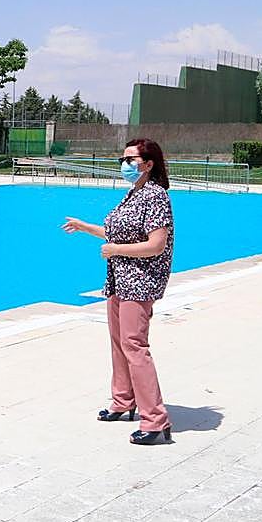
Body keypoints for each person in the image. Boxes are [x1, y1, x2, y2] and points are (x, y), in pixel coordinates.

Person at [63, 138, 175, 445]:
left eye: (130, 160)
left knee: (134, 345)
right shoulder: (133, 193)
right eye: (122, 160)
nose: (125, 165)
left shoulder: (155, 196)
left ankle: (155, 420)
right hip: (118, 280)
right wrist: (85, 227)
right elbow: (115, 233)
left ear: (148, 164)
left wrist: (116, 250)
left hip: (140, 281)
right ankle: (124, 401)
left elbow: (156, 245)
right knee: (119, 343)